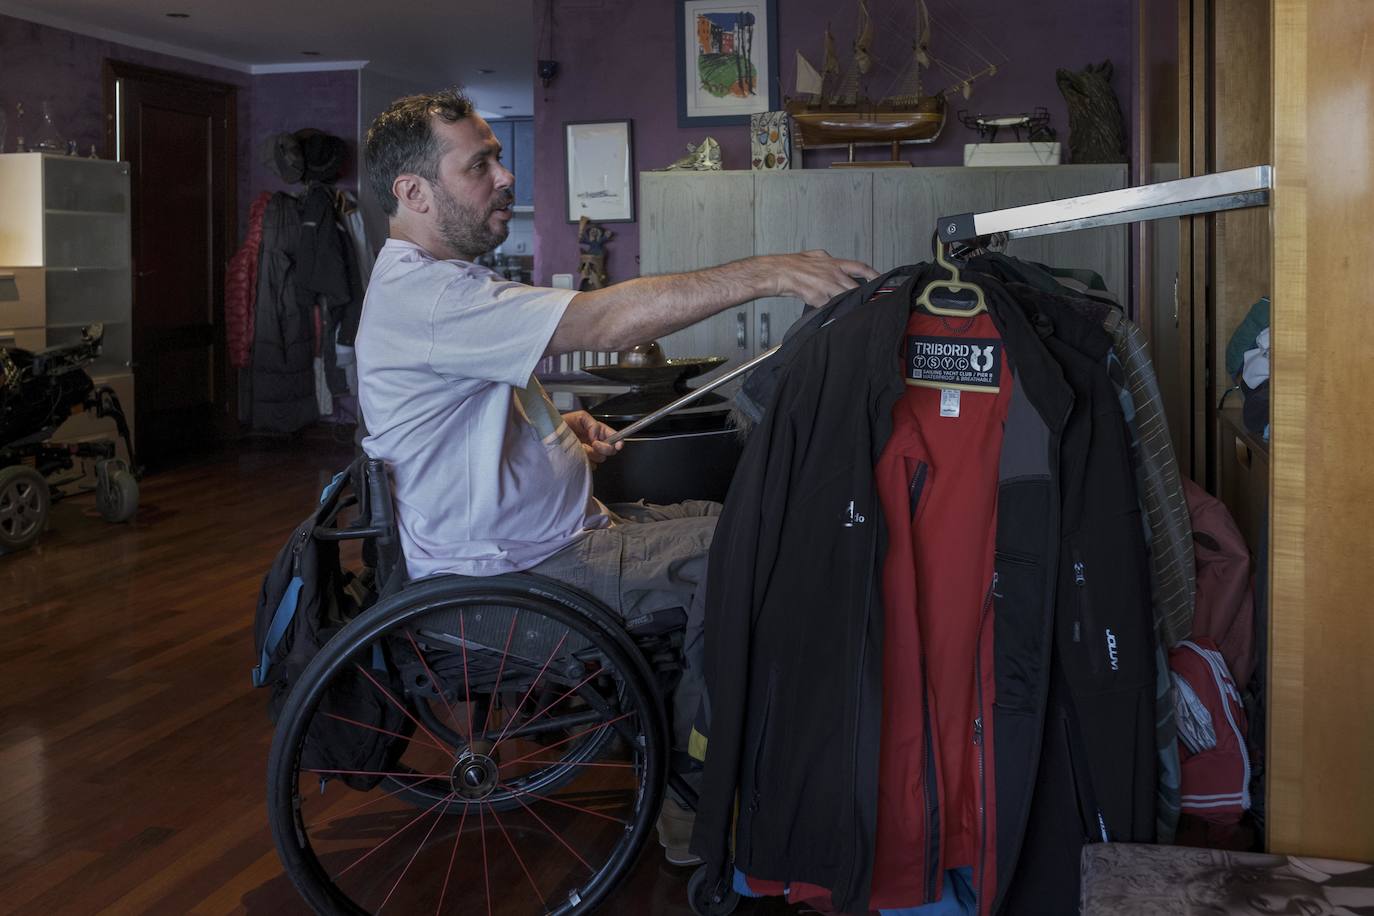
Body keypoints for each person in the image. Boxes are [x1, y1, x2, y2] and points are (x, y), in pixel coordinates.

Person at [355, 88, 877, 864]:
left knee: (747, 518)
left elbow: (459, 420)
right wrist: (771, 271)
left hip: (553, 540)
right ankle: (692, 795)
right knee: (755, 559)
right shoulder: (427, 295)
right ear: (413, 191)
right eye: (481, 164)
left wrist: (555, 433)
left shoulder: (439, 284)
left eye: (498, 158)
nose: (505, 179)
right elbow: (600, 322)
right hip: (512, 580)